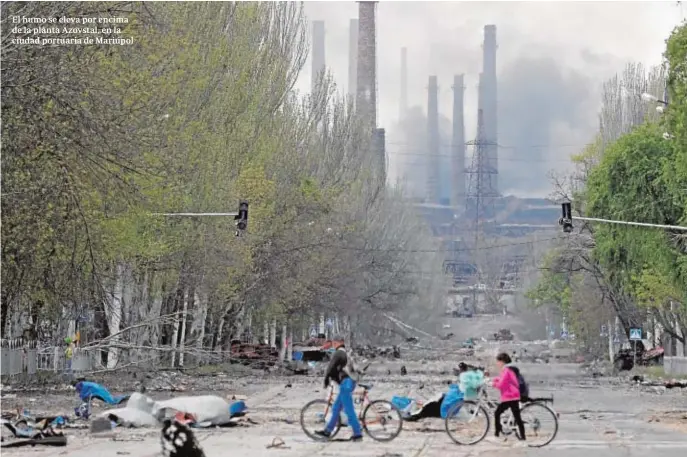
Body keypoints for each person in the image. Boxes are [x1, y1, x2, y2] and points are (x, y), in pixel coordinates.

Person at [314, 343, 363, 441]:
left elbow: (330, 367)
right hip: (349, 383)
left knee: (349, 410)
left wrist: (326, 379)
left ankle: (357, 434)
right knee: (336, 408)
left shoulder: (339, 353)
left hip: (346, 384)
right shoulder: (346, 353)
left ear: (337, 343)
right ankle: (327, 431)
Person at [488, 352, 526, 446]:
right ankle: (522, 439)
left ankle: (497, 435)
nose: (497, 363)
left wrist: (492, 384)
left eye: (498, 361)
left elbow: (501, 384)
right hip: (512, 396)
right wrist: (492, 380)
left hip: (510, 397)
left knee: (498, 413)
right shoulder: (507, 370)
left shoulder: (506, 370)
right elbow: (501, 379)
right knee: (517, 417)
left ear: (502, 361)